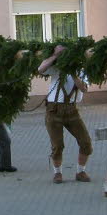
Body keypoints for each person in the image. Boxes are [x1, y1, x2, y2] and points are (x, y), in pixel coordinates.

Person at [38, 45, 94, 184]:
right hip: (53, 109)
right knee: (57, 145)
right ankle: (57, 173)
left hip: (72, 110)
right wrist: (55, 56)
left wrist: (73, 72)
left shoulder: (81, 70)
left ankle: (80, 171)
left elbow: (84, 88)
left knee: (86, 142)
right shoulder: (56, 67)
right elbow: (41, 68)